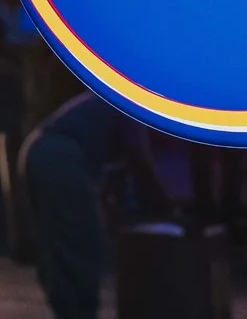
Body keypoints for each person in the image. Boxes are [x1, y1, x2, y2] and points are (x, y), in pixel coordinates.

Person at [19, 91, 168, 319]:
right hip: (61, 156)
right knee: (79, 243)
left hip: (40, 151)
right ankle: (78, 312)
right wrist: (166, 207)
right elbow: (139, 159)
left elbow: (118, 172)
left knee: (59, 243)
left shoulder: (112, 99)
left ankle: (69, 309)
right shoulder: (131, 103)